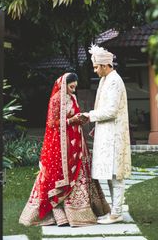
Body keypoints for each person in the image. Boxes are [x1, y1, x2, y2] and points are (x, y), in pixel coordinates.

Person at [19, 73, 110, 227]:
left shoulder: (72, 98)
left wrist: (80, 118)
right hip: (62, 144)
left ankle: (83, 211)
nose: (73, 90)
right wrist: (71, 120)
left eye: (75, 87)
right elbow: (52, 123)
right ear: (63, 85)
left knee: (81, 172)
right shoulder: (56, 99)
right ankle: (59, 215)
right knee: (56, 175)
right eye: (71, 87)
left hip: (77, 142)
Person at [81, 45, 132, 224]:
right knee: (110, 175)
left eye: (96, 67)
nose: (95, 70)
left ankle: (117, 212)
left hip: (114, 134)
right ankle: (115, 210)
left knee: (116, 175)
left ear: (105, 65)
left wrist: (89, 116)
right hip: (107, 133)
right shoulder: (106, 80)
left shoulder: (114, 81)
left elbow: (110, 111)